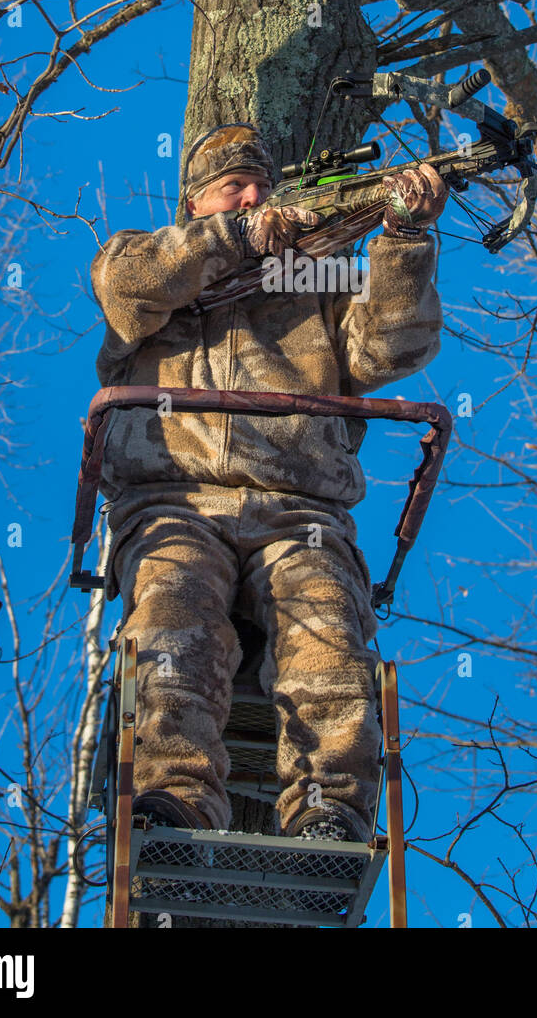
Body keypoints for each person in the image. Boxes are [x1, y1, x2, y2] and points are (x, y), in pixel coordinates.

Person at [90, 122, 446, 842]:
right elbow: (128, 282)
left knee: (331, 636)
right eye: (233, 189)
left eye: (260, 188)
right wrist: (237, 241)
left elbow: (390, 350)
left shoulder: (311, 280)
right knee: (170, 623)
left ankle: (329, 810)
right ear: (194, 203)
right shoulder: (144, 263)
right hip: (174, 501)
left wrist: (403, 242)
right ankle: (173, 801)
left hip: (299, 511)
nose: (251, 198)